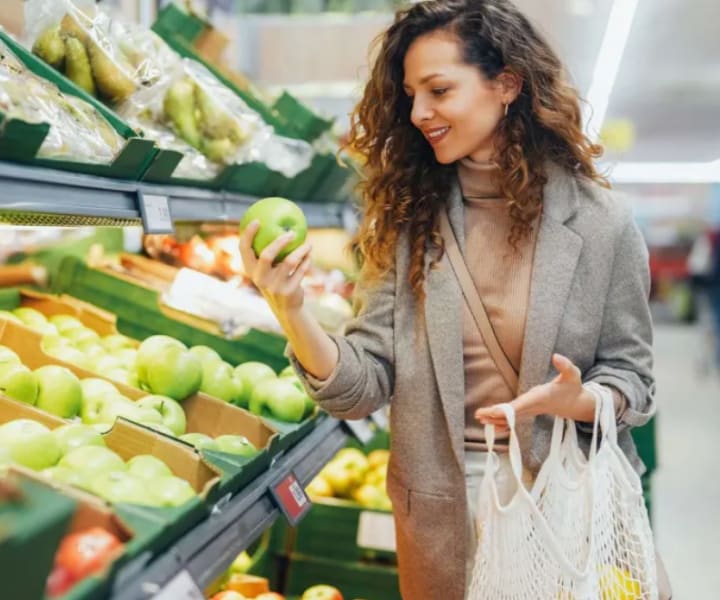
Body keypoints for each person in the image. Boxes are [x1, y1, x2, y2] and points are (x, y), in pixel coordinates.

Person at [239, 1, 657, 598]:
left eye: (438, 90)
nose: (419, 112)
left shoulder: (601, 224)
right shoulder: (407, 221)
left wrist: (582, 398)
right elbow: (363, 386)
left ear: (506, 84)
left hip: (561, 501)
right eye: (410, 94)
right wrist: (291, 310)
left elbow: (634, 380)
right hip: (441, 509)